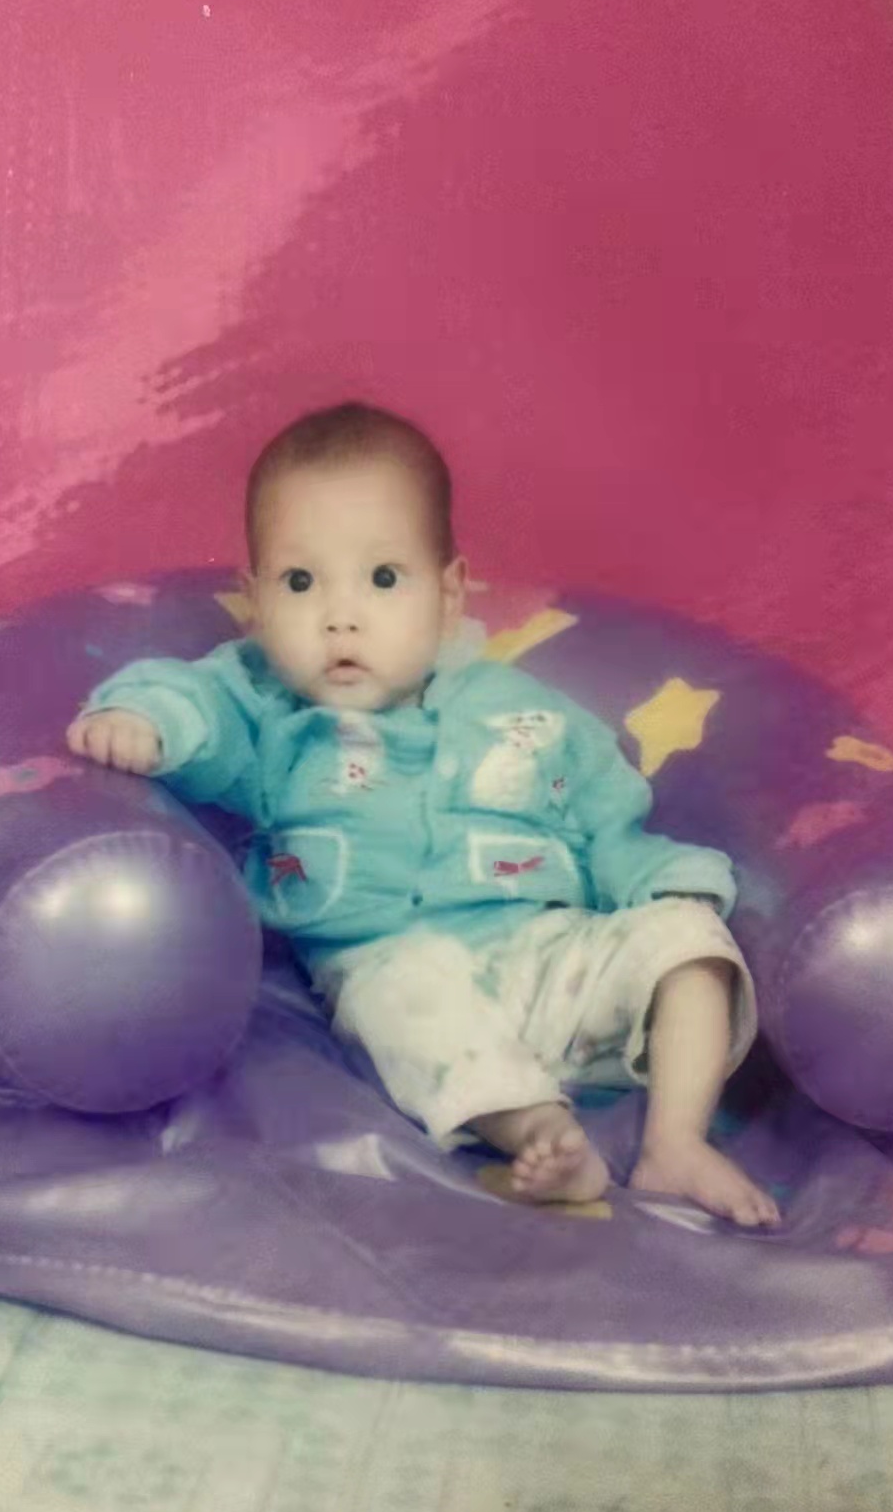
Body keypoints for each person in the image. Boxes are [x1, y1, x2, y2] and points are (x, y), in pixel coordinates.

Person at [67, 403, 778, 1224]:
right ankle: (541, 1137)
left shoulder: (527, 714)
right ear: (255, 601)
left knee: (689, 939)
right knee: (399, 998)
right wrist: (146, 722)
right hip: (396, 963)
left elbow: (611, 825)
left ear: (446, 596)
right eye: (300, 583)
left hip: (549, 953)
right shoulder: (269, 713)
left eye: (382, 579)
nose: (341, 616)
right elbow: (194, 699)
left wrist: (663, 889)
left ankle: (676, 1144)